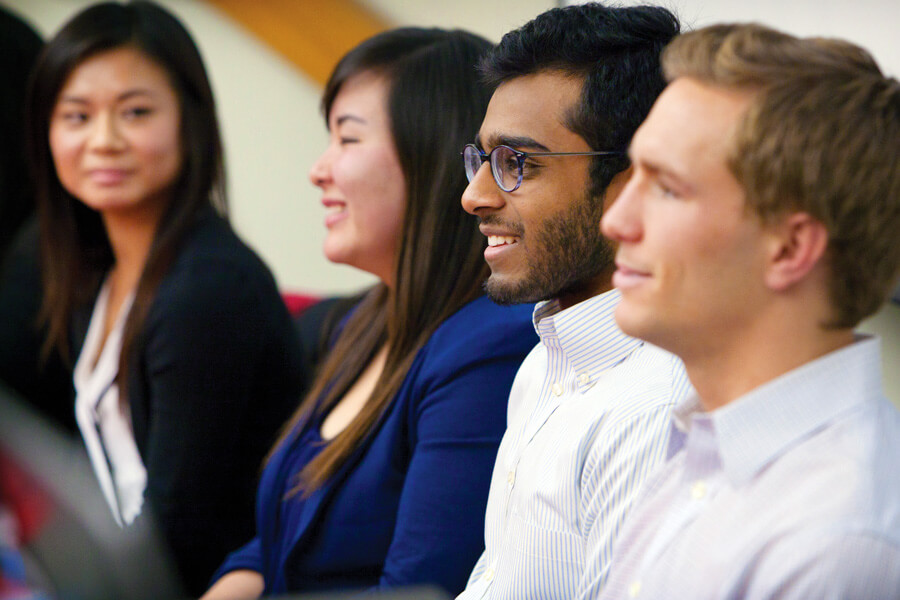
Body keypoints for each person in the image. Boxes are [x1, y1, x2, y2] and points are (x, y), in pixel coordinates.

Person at [204, 27, 537, 599]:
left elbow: (418, 589)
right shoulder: (362, 321)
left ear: (429, 153)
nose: (319, 169)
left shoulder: (488, 347)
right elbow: (274, 542)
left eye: (347, 139)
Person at [598, 23, 900, 598]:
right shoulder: (703, 446)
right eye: (632, 173)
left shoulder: (834, 541)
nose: (615, 221)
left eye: (667, 188)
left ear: (789, 249)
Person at [24, 2, 305, 594]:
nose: (103, 140)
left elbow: (181, 530)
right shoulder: (94, 278)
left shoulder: (209, 289)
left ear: (189, 119)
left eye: (135, 112)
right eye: (76, 116)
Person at [456, 4, 690, 599]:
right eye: (482, 159)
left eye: (519, 163)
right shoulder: (545, 361)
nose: (474, 195)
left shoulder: (658, 409)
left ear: (633, 182)